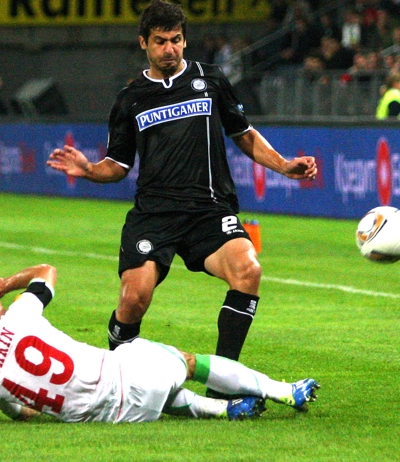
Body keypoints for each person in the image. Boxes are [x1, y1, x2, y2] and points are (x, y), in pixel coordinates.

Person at [46, 0, 318, 396]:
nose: (169, 49)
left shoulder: (211, 80)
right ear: (144, 43)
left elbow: (243, 134)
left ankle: (225, 384)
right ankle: (115, 381)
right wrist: (88, 169)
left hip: (209, 210)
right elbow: (118, 165)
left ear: (184, 40)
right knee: (133, 299)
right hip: (155, 215)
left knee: (248, 270)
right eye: (160, 42)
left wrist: (284, 165)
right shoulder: (131, 99)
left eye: (176, 40)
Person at [0, 263, 320, 423]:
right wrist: (5, 284)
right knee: (187, 363)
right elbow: (46, 272)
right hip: (128, 378)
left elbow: (25, 414)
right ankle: (284, 390)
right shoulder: (18, 316)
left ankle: (223, 411)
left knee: (152, 384)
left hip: (112, 418)